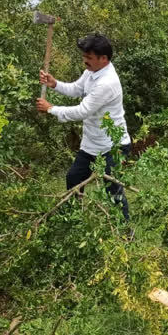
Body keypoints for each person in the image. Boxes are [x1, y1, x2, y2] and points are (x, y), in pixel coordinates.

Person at [36, 33, 132, 221]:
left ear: (103, 59)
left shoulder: (107, 83)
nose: (85, 61)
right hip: (92, 143)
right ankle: (72, 219)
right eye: (84, 56)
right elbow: (76, 89)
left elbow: (82, 111)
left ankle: (125, 232)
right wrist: (54, 84)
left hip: (113, 145)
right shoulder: (91, 72)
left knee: (112, 189)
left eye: (89, 57)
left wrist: (51, 109)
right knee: (74, 178)